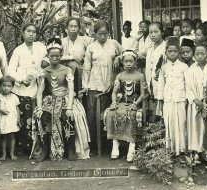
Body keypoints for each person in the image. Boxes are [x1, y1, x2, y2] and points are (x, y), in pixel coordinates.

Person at [35, 38, 90, 161]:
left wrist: (69, 107)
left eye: (57, 56)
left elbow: (71, 89)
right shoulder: (45, 72)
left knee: (68, 116)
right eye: (52, 56)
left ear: (61, 56)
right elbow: (39, 92)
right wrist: (39, 108)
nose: (54, 58)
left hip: (67, 99)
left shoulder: (67, 70)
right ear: (48, 56)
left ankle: (70, 149)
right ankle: (45, 149)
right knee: (43, 117)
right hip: (51, 100)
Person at [81, 20, 123, 152]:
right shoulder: (91, 47)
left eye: (105, 33)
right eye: (100, 34)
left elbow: (127, 54)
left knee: (111, 113)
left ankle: (112, 144)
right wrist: (85, 85)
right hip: (95, 83)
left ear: (108, 33)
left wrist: (119, 57)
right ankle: (95, 145)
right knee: (93, 115)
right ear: (95, 34)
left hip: (111, 83)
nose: (103, 36)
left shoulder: (114, 44)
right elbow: (87, 68)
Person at [8, 23, 47, 152]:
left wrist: (44, 65)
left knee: (37, 116)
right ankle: (24, 146)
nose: (31, 34)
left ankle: (36, 146)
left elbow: (47, 59)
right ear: (23, 33)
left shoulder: (40, 47)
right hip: (21, 89)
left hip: (36, 87)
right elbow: (10, 71)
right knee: (24, 119)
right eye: (28, 31)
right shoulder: (18, 50)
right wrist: (21, 80)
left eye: (34, 32)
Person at [104, 50, 146, 162]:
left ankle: (131, 147)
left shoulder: (140, 76)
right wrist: (113, 103)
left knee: (131, 115)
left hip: (134, 104)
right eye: (126, 61)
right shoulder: (120, 76)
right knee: (112, 113)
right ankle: (115, 144)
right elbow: (114, 92)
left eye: (131, 61)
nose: (128, 64)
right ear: (122, 62)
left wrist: (136, 104)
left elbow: (143, 94)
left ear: (135, 62)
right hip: (121, 103)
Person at [158, 37, 188, 156]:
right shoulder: (163, 67)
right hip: (168, 100)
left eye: (174, 51)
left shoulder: (184, 67)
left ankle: (182, 148)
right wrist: (160, 99)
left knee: (181, 122)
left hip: (180, 99)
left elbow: (187, 84)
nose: (172, 53)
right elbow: (161, 84)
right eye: (169, 51)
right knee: (169, 122)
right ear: (166, 53)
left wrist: (187, 98)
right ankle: (170, 148)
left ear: (178, 52)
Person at [186, 44, 207, 161]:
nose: (200, 56)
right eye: (197, 54)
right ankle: (197, 151)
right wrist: (197, 102)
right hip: (195, 103)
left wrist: (206, 102)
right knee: (196, 127)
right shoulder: (191, 69)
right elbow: (189, 88)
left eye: (203, 54)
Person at [61, 17, 93, 93]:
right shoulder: (62, 41)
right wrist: (73, 57)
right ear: (67, 28)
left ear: (79, 28)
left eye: (75, 26)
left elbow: (91, 54)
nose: (73, 29)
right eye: (71, 26)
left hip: (81, 73)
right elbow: (57, 57)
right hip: (65, 74)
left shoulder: (85, 40)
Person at [0, 76, 20, 161]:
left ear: (12, 87)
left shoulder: (14, 97)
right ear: (0, 86)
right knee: (4, 136)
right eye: (4, 85)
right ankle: (4, 154)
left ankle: (12, 153)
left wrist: (18, 118)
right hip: (3, 120)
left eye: (9, 86)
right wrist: (0, 109)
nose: (6, 88)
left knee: (12, 136)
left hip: (12, 120)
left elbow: (17, 108)